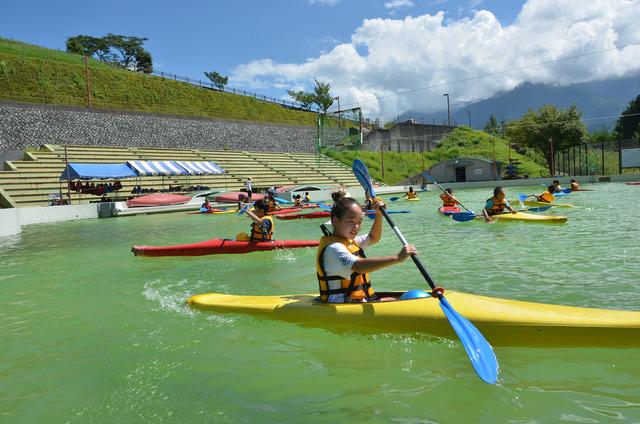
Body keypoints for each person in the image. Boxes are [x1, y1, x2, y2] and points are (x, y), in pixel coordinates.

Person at [316, 190, 417, 303]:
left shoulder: (350, 242)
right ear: (335, 221)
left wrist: (379, 214)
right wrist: (397, 258)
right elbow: (358, 266)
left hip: (359, 299)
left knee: (401, 299)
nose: (356, 227)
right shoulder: (334, 248)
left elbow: (373, 237)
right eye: (351, 222)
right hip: (343, 304)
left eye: (359, 222)